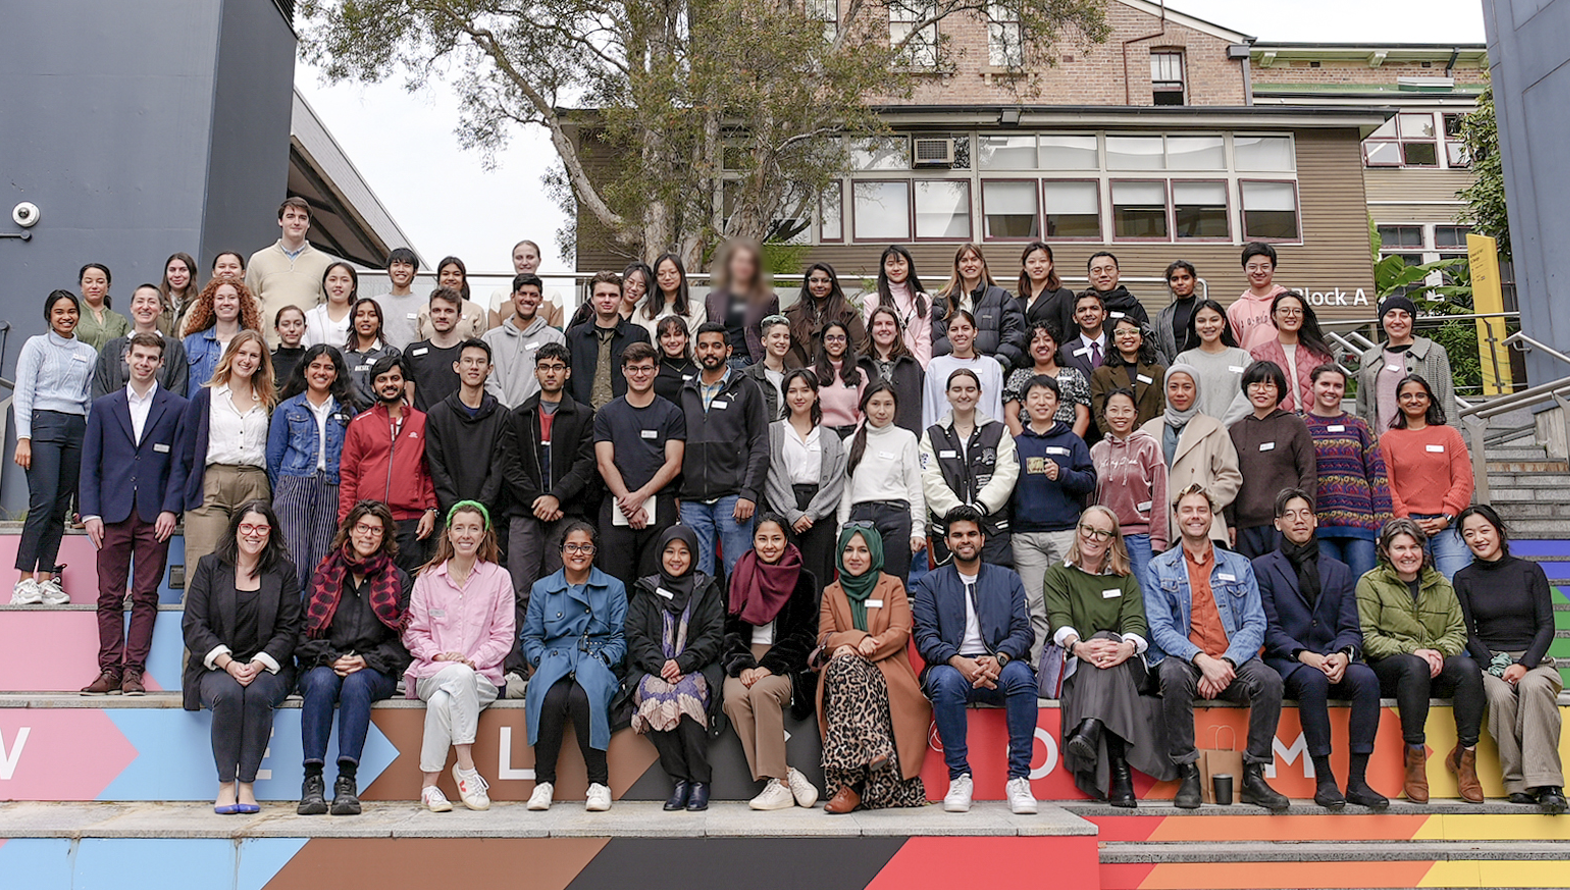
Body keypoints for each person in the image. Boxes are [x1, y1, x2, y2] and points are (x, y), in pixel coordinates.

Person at [1146, 485, 1290, 812]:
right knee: (1169, 672)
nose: (1195, 516)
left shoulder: (1240, 565)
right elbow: (1161, 629)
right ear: (1176, 517)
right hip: (1186, 660)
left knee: (1269, 681)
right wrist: (1201, 660)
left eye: (1201, 510)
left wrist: (1224, 662)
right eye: (1187, 510)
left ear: (1212, 516)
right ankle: (1188, 771)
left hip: (1232, 660)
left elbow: (1255, 623)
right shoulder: (1159, 568)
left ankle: (1254, 773)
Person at [1256, 489, 1388, 810]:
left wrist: (1343, 654)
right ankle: (1325, 778)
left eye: (1305, 514)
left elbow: (1350, 626)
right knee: (1312, 682)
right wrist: (1304, 655)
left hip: (1332, 654)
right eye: (1290, 514)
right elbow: (1268, 628)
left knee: (1367, 679)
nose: (1298, 520)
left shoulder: (1339, 570)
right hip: (1289, 660)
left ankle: (1357, 780)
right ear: (1277, 524)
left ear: (1315, 521)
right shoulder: (1261, 568)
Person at [78, 332, 187, 695]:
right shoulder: (105, 406)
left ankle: (133, 672)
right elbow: (89, 464)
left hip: (155, 515)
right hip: (111, 515)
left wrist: (172, 508)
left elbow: (178, 466)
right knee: (108, 596)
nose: (144, 363)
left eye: (151, 358)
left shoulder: (176, 407)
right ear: (127, 358)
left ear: (161, 363)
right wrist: (90, 512)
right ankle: (109, 668)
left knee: (145, 596)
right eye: (138, 356)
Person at [912, 506, 1038, 815]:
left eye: (971, 534)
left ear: (982, 539)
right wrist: (957, 661)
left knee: (1023, 678)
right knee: (945, 681)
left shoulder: (1008, 579)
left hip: (1000, 666)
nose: (965, 540)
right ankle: (959, 776)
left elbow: (1024, 630)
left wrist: (1000, 658)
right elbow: (925, 637)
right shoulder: (931, 583)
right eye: (957, 535)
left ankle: (1019, 778)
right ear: (947, 541)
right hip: (952, 668)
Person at [1045, 506, 1173, 807]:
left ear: (1112, 540)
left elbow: (1135, 623)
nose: (1092, 537)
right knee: (1101, 653)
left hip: (1124, 661)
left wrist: (1126, 647)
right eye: (1087, 529)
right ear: (1078, 531)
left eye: (1102, 532)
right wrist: (1079, 647)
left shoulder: (1124, 577)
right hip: (1080, 664)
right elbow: (1059, 619)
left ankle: (1090, 727)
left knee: (1106, 643)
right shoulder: (1058, 574)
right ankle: (1121, 777)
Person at [180, 501, 300, 814]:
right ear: (235, 530)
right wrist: (229, 664)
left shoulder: (283, 572)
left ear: (270, 532)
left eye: (261, 528)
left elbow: (289, 629)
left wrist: (258, 664)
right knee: (229, 693)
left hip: (268, 667)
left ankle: (246, 785)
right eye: (247, 526)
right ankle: (225, 785)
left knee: (258, 693)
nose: (253, 534)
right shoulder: (209, 567)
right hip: (217, 665)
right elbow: (193, 625)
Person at [295, 502, 412, 816]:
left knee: (356, 685)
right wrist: (332, 659)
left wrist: (364, 660)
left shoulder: (397, 579)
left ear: (384, 535)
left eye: (376, 529)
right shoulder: (324, 573)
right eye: (362, 527)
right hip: (322, 662)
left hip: (374, 668)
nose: (368, 535)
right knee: (321, 682)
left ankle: (346, 781)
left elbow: (403, 644)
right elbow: (301, 635)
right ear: (349, 530)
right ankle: (312, 781)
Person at [1357, 518, 1484, 804]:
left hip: (1432, 666)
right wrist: (1414, 651)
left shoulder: (1440, 584)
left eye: (1414, 546)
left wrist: (1438, 652)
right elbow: (1368, 638)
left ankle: (1466, 755)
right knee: (1414, 666)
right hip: (1391, 669)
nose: (1408, 554)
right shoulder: (1370, 583)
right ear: (1386, 551)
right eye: (1400, 547)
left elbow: (1458, 632)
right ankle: (1415, 755)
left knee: (1468, 667)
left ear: (1423, 550)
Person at [496, 341, 598, 692]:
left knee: (565, 590)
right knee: (520, 590)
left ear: (567, 373)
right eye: (545, 367)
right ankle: (517, 667)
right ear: (536, 371)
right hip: (525, 515)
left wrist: (556, 497)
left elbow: (586, 465)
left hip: (567, 515)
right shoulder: (518, 415)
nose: (551, 373)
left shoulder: (584, 415)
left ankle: (562, 660)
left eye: (558, 367)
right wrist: (538, 499)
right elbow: (510, 467)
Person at [1454, 505, 1566, 813]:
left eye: (1484, 530)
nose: (1478, 538)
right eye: (1469, 533)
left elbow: (1547, 625)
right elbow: (1467, 633)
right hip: (1489, 662)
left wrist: (1524, 664)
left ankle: (1547, 783)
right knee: (1501, 696)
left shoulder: (1530, 571)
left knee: (1532, 688)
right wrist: (1493, 665)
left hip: (1534, 661)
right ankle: (1516, 782)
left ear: (1499, 531)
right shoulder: (1463, 579)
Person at [405, 501, 515, 813]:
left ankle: (429, 787)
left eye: (474, 528)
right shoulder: (427, 578)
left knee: (444, 700)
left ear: (484, 535)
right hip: (432, 671)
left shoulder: (499, 579)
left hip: (483, 676)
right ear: (449, 534)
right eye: (460, 528)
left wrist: (473, 660)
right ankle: (466, 767)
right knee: (455, 677)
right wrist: (438, 655)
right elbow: (414, 632)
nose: (466, 534)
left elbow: (504, 635)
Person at [816, 525, 929, 813]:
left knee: (844, 666)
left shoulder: (891, 585)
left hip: (886, 671)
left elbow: (900, 631)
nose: (855, 557)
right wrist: (858, 640)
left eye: (863, 550)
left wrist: (863, 645)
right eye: (849, 550)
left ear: (874, 553)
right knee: (845, 666)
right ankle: (874, 745)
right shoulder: (831, 591)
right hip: (846, 673)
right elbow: (825, 638)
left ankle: (849, 788)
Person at [523, 521, 625, 812]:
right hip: (554, 659)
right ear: (561, 551)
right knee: (550, 698)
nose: (578, 553)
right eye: (571, 546)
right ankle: (543, 783)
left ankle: (598, 783)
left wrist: (604, 659)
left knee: (583, 698)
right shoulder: (542, 588)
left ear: (594, 551)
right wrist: (543, 661)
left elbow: (620, 637)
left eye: (585, 547)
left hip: (594, 658)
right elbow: (530, 636)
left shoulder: (613, 587)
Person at [722, 514, 821, 810]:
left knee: (763, 691)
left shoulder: (804, 579)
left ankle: (777, 783)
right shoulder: (739, 574)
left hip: (786, 663)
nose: (769, 545)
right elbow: (729, 630)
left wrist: (770, 666)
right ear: (753, 541)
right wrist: (744, 665)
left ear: (786, 540)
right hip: (746, 658)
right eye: (762, 539)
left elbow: (806, 635)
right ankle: (785, 777)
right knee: (735, 698)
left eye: (776, 538)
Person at [626, 526, 725, 812]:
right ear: (660, 554)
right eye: (670, 551)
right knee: (657, 698)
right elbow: (635, 634)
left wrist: (682, 663)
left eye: (683, 552)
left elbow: (713, 635)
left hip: (696, 668)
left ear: (693, 555)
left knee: (684, 697)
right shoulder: (646, 589)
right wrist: (661, 666)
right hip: (653, 669)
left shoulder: (706, 588)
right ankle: (679, 780)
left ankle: (699, 781)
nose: (676, 558)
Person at [1010, 375, 1096, 663]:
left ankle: (1074, 664)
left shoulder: (1072, 441)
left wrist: (1063, 474)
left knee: (1070, 600)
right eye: (1034, 397)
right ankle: (1036, 667)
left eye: (1048, 397)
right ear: (1023, 405)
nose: (1041, 402)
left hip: (1065, 532)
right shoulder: (1015, 444)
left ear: (1059, 403)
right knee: (1034, 604)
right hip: (1025, 537)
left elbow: (1089, 481)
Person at [678, 322, 772, 578]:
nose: (710, 351)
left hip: (734, 498)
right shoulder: (685, 391)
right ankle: (703, 621)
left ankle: (736, 621)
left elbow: (760, 445)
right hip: (693, 500)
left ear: (728, 350)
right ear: (695, 350)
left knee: (738, 573)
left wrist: (749, 493)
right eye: (704, 346)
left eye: (716, 346)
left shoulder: (747, 388)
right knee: (696, 576)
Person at [178, 331, 275, 573]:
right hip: (212, 482)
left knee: (250, 568)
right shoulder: (206, 396)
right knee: (204, 564)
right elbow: (188, 450)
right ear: (230, 356)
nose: (247, 360)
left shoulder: (268, 401)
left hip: (254, 484)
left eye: (254, 355)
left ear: (261, 362)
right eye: (242, 353)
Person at [594, 343, 686, 585]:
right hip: (616, 506)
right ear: (623, 371)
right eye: (633, 368)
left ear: (656, 370)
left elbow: (674, 464)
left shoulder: (672, 413)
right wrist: (629, 502)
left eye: (646, 368)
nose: (639, 374)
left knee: (655, 583)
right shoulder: (607, 414)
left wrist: (639, 497)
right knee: (614, 584)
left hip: (660, 506)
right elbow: (604, 463)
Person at [338, 354, 438, 576]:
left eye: (395, 378)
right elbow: (349, 476)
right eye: (382, 379)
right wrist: (346, 522)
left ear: (404, 382)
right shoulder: (360, 424)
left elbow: (429, 471)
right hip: (369, 520)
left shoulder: (422, 421)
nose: (390, 384)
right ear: (373, 386)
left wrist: (431, 509)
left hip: (410, 521)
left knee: (407, 586)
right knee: (368, 585)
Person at [267, 344, 355, 590]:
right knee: (291, 559)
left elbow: (352, 457)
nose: (322, 372)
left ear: (336, 374)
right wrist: (284, 490)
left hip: (332, 487)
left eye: (329, 367)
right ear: (305, 371)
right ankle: (288, 624)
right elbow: (273, 458)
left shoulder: (347, 411)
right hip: (293, 486)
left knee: (323, 562)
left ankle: (314, 624)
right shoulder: (286, 409)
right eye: (315, 366)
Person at [921, 368, 1019, 568]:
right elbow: (929, 477)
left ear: (979, 393)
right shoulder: (932, 435)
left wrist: (980, 507)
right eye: (956, 389)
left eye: (970, 389)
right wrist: (957, 512)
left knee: (994, 590)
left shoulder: (999, 431)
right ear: (947, 394)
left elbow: (1007, 473)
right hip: (949, 530)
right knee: (951, 592)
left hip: (992, 529)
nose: (963, 395)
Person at [1379, 374, 1473, 580]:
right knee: (1416, 590)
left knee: (1454, 582)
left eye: (1420, 395)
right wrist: (1405, 519)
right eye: (1407, 396)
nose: (1414, 400)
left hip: (1448, 525)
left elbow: (1463, 480)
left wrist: (1446, 516)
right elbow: (1386, 485)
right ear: (1398, 402)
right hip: (1406, 527)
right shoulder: (1387, 440)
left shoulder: (1449, 435)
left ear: (1429, 400)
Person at [1302, 364, 1391, 578]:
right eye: (1325, 384)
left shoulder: (1359, 426)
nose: (1331, 390)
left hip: (1360, 525)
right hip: (1319, 526)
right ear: (1312, 386)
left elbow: (1378, 476)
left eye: (1337, 386)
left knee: (1364, 590)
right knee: (1332, 593)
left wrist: (1383, 524)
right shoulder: (1300, 427)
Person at [765, 368, 847, 594]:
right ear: (785, 396)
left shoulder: (830, 437)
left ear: (815, 395)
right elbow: (770, 475)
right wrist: (791, 513)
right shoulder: (772, 432)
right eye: (792, 391)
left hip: (820, 512)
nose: (799, 396)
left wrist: (812, 513)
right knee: (783, 576)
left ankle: (817, 629)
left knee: (817, 577)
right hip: (783, 509)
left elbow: (836, 481)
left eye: (805, 390)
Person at [1140, 365, 1242, 546]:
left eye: (1187, 387)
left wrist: (1204, 502)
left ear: (1197, 390)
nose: (1180, 393)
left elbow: (1230, 476)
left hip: (1201, 525)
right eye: (1173, 387)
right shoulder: (1148, 430)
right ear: (1165, 389)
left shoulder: (1214, 428)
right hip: (1157, 526)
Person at [1228, 360, 1316, 559]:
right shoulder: (1236, 430)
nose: (1261, 391)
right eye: (1255, 385)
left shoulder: (1294, 425)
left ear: (1280, 390)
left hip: (1284, 523)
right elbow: (1229, 477)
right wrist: (1230, 522)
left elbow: (1308, 472)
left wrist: (1302, 515)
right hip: (1245, 526)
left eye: (1269, 385)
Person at [839, 382, 925, 583]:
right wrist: (841, 529)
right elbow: (846, 490)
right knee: (861, 585)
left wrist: (918, 528)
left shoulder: (906, 438)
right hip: (860, 518)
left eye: (888, 404)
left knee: (892, 585)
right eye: (875, 404)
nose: (881, 411)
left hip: (895, 516)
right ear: (865, 406)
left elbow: (914, 486)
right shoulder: (850, 443)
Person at [1092, 388, 1168, 592]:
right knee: (1110, 596)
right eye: (1114, 410)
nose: (1120, 416)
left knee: (1146, 596)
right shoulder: (1097, 451)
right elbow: (1091, 499)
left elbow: (1160, 494)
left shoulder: (1149, 446)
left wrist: (1158, 539)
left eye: (1126, 410)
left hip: (1141, 537)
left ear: (1135, 414)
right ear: (1104, 414)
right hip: (1106, 537)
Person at [1355, 295, 1461, 434]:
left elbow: (1447, 400)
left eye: (1404, 315)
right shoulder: (1369, 357)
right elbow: (1362, 407)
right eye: (1391, 315)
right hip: (1380, 441)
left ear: (1412, 320)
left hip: (1425, 439)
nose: (1397, 321)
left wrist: (1453, 438)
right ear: (1383, 320)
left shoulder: (1434, 352)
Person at [424, 339, 506, 515]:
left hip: (491, 514)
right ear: (456, 367)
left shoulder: (502, 416)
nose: (474, 367)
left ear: (489, 369)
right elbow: (437, 468)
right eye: (468, 361)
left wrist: (480, 509)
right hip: (449, 513)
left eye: (480, 362)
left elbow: (498, 469)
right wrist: (456, 509)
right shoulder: (437, 415)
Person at [246, 197, 334, 343]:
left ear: (308, 224)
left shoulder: (324, 263)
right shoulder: (259, 260)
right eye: (290, 216)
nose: (296, 222)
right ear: (280, 221)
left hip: (308, 350)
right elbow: (250, 304)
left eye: (302, 218)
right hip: (267, 348)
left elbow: (326, 308)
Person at [567, 271, 652, 410]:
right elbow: (567, 381)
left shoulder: (638, 335)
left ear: (621, 298)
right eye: (601, 295)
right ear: (592, 299)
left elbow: (647, 379)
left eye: (612, 295)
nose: (607, 300)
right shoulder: (575, 336)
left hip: (626, 417)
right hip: (583, 420)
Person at [931, 244, 1026, 369]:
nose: (969, 264)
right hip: (952, 372)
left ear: (982, 264)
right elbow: (940, 340)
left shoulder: (1002, 297)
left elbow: (1013, 334)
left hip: (990, 370)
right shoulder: (943, 300)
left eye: (974, 259)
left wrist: (999, 365)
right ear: (957, 267)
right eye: (964, 260)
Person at [482, 273, 566, 409]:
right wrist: (503, 408)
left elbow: (553, 379)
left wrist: (526, 410)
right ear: (512, 297)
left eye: (533, 295)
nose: (527, 299)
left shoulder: (555, 338)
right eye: (522, 294)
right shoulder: (490, 338)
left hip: (536, 415)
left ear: (540, 300)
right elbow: (488, 379)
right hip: (497, 415)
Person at [95, 283, 189, 398]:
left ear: (161, 309)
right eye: (140, 301)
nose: (145, 307)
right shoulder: (112, 347)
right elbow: (100, 390)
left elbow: (178, 388)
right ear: (131, 308)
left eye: (152, 302)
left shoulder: (174, 348)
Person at [1248, 291, 1334, 413]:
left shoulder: (1320, 353)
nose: (1291, 315)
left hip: (1315, 421)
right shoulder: (1259, 354)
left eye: (1297, 311)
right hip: (1277, 422)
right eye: (1284, 310)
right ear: (1273, 315)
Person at [1003, 321, 1090, 438]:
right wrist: (1024, 443)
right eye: (1035, 341)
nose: (1042, 344)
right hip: (1029, 436)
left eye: (1047, 340)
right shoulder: (1018, 376)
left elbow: (1083, 416)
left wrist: (1071, 444)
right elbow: (1010, 415)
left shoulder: (1073, 374)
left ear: (1055, 346)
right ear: (1028, 349)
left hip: (1066, 436)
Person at [1173, 299, 1251, 425]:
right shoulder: (1184, 360)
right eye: (1201, 321)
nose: (1208, 325)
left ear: (1224, 323)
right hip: (1197, 432)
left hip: (1237, 431)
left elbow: (1249, 395)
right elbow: (1179, 397)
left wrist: (1224, 427)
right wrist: (1206, 428)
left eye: (1214, 320)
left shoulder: (1242, 357)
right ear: (1194, 325)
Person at [922, 311, 1004, 429]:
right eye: (954, 329)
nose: (960, 334)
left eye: (965, 328)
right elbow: (929, 410)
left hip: (984, 438)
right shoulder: (935, 366)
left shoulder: (991, 366)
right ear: (948, 334)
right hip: (945, 439)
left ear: (975, 332)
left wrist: (996, 438)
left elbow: (998, 410)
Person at [704, 239, 779, 366]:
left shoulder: (768, 299)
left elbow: (772, 333)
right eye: (739, 261)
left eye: (749, 262)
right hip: (721, 361)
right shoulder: (712, 299)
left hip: (752, 361)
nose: (744, 266)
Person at [182, 277, 263, 389]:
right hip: (200, 406)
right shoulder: (191, 343)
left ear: (241, 304)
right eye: (220, 298)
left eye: (232, 298)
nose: (226, 303)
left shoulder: (256, 344)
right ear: (212, 304)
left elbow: (263, 383)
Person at [1091, 317, 1165, 436]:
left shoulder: (1158, 372)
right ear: (1113, 341)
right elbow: (1101, 415)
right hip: (1116, 442)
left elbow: (1162, 410)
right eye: (1120, 333)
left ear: (1141, 339)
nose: (1127, 336)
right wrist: (1117, 439)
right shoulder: (1101, 374)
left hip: (1152, 440)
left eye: (1133, 331)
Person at [857, 305, 925, 435]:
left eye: (889, 324)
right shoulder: (857, 364)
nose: (884, 328)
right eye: (878, 324)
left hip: (904, 438)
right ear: (870, 330)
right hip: (866, 437)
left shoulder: (911, 365)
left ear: (897, 330)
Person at [862, 246, 933, 368]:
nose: (896, 268)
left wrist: (918, 368)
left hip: (915, 367)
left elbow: (924, 339)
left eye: (900, 263)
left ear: (909, 266)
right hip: (883, 366)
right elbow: (872, 337)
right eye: (890, 264)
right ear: (883, 268)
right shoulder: (872, 301)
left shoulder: (923, 300)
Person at [786, 262, 866, 369]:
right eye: (814, 280)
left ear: (833, 284)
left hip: (837, 374)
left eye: (825, 281)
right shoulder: (793, 315)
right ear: (807, 283)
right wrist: (802, 374)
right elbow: (785, 347)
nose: (819, 285)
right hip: (799, 377)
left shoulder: (847, 314)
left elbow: (858, 347)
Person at [403, 289, 466, 412]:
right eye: (437, 310)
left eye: (449, 311)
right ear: (430, 314)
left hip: (457, 426)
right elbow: (409, 397)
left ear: (459, 317)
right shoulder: (412, 353)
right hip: (422, 426)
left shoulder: (468, 354)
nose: (442, 316)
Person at [487, 239, 566, 330]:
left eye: (530, 257)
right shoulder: (499, 295)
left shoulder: (553, 295)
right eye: (519, 258)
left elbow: (557, 335)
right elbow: (493, 335)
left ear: (539, 261)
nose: (524, 263)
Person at [1227, 242, 1288, 353]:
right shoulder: (1235, 309)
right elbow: (1233, 349)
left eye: (1264, 267)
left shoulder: (1289, 302)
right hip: (1251, 368)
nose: (1259, 272)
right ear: (1244, 269)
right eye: (1253, 267)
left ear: (1273, 269)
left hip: (1284, 368)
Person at [341, 298, 401, 407]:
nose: (365, 319)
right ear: (353, 321)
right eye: (360, 315)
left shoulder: (391, 353)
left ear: (379, 322)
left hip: (380, 415)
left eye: (372, 315)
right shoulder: (340, 355)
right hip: (347, 415)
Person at [636, 253, 706, 346]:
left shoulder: (696, 309)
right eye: (661, 274)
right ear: (656, 279)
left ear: (681, 275)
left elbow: (695, 345)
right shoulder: (642, 312)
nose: (667, 278)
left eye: (672, 272)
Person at [1016, 241, 1076, 347]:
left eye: (1043, 261)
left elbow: (1069, 332)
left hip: (1055, 358)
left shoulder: (1063, 296)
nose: (1037, 266)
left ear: (1050, 265)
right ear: (1024, 267)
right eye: (1031, 262)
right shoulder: (1017, 302)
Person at [813, 321, 867, 438]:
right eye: (830, 338)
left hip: (852, 433)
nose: (835, 342)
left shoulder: (860, 374)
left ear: (847, 343)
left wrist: (857, 435)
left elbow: (865, 408)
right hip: (820, 433)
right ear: (823, 342)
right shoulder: (811, 373)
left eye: (841, 338)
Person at [417, 256, 488, 341]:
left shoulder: (476, 311)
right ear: (439, 279)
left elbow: (481, 345)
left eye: (456, 274)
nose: (450, 278)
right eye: (445, 274)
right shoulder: (424, 310)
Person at [742, 314, 793, 422]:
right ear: (764, 341)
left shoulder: (795, 377)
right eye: (776, 336)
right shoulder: (747, 377)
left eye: (786, 337)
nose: (782, 341)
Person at [1083, 252, 1149, 330]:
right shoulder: (1082, 306)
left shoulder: (1132, 306)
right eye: (1097, 270)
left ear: (1118, 274)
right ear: (1089, 277)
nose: (1103, 274)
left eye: (1109, 269)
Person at [1153, 260, 1202, 363]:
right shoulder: (1162, 316)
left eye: (1185, 278)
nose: (1180, 283)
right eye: (1175, 279)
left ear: (1195, 281)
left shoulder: (1208, 311)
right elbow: (1157, 348)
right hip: (1171, 371)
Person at [74, 263, 130, 351]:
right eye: (88, 281)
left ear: (108, 286)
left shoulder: (119, 320)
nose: (94, 286)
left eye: (100, 282)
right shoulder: (71, 315)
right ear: (81, 286)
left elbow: (127, 351)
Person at [376, 247, 424, 350]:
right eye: (396, 265)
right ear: (388, 270)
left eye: (406, 265)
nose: (401, 270)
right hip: (381, 362)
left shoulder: (424, 305)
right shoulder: (376, 303)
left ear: (415, 272)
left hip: (413, 363)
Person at [303, 262, 357, 349]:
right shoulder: (310, 317)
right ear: (324, 284)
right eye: (332, 280)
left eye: (344, 280)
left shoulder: (360, 316)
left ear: (353, 286)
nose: (338, 285)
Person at [654, 316, 698, 404]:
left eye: (677, 335)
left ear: (686, 338)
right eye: (666, 336)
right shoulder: (653, 371)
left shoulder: (697, 373)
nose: (672, 340)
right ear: (659, 341)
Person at [157, 251, 200, 338]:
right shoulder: (155, 301)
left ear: (191, 273)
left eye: (183, 270)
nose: (177, 275)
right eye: (172, 270)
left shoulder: (199, 305)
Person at [270, 306, 308, 391]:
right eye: (285, 324)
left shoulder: (311, 361)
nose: (292, 329)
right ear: (277, 329)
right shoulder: (268, 362)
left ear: (305, 328)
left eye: (297, 324)